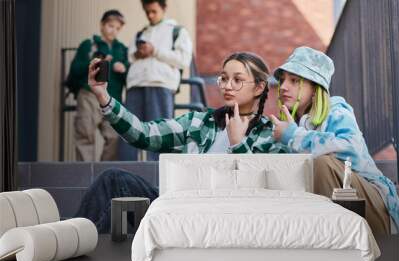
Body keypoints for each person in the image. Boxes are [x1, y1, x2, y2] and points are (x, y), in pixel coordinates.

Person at [75, 52, 288, 233]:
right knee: (112, 179)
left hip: (219, 220)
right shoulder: (198, 122)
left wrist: (238, 144)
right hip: (177, 210)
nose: (227, 86)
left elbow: (257, 197)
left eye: (237, 80)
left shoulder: (270, 134)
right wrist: (103, 96)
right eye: (223, 78)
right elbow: (143, 134)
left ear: (259, 87)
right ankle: (74, 241)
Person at [269, 46, 399, 235]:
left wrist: (294, 136)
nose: (283, 87)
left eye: (294, 80)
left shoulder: (335, 110)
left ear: (315, 87)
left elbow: (350, 147)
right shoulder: (294, 125)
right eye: (282, 80)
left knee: (323, 163)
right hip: (337, 210)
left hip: (371, 202)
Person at [120, 0, 193, 161]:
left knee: (159, 133)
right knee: (128, 131)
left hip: (160, 85)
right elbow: (130, 57)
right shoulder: (140, 33)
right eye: (147, 12)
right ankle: (127, 171)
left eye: (154, 11)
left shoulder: (177, 31)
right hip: (136, 85)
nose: (150, 15)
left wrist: (155, 51)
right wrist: (140, 53)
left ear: (164, 8)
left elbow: (183, 60)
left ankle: (157, 174)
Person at [70, 10, 129, 161]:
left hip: (112, 99)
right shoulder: (89, 45)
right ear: (102, 25)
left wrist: (123, 68)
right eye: (110, 26)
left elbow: (131, 74)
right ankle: (85, 177)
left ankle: (103, 174)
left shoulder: (122, 49)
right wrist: (94, 60)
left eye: (117, 28)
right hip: (89, 95)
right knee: (85, 135)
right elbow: (75, 70)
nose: (113, 31)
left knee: (115, 138)